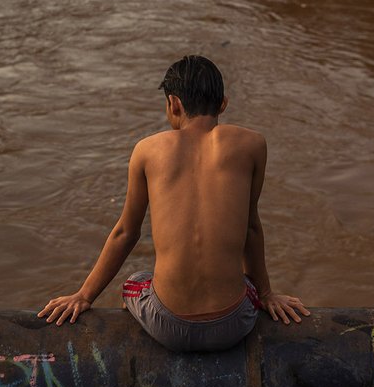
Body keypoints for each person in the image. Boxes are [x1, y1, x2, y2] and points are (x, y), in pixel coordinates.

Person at [39, 56, 309, 352]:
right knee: (247, 283)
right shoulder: (252, 144)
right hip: (235, 323)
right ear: (223, 104)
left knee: (137, 280)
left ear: (174, 104)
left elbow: (125, 233)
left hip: (168, 327)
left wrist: (84, 295)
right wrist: (268, 293)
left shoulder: (147, 149)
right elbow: (251, 229)